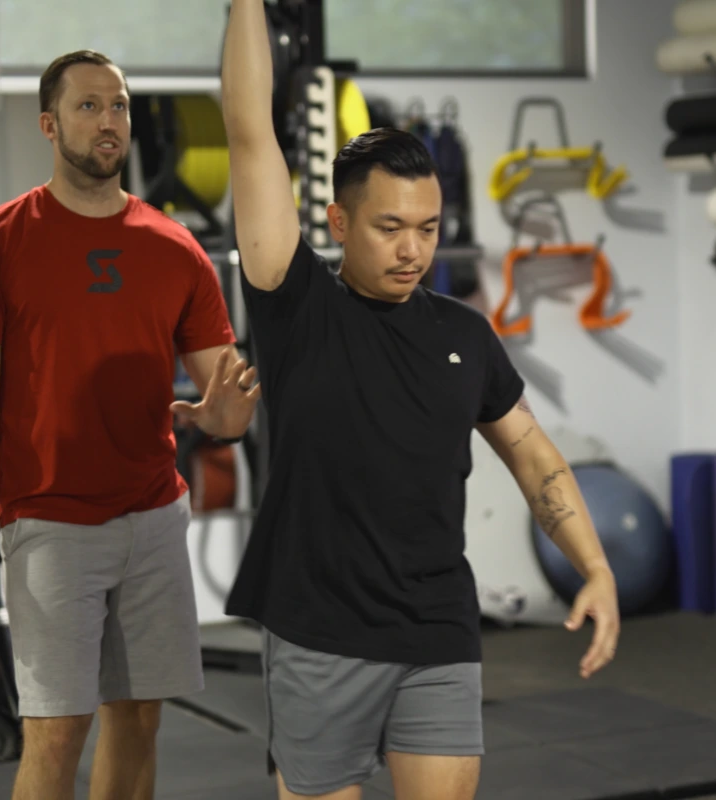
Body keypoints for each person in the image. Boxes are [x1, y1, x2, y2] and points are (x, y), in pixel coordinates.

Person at [218, 2, 622, 799]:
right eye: (390, 227)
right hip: (320, 632)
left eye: (430, 229)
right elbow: (248, 131)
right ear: (337, 221)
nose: (413, 250)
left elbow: (532, 453)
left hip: (437, 624)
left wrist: (596, 566)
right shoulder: (298, 306)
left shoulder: (466, 334)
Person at [0, 50, 261, 800]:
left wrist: (229, 417)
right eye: (89, 107)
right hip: (48, 522)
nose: (108, 120)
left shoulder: (175, 247)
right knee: (56, 734)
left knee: (140, 719)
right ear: (50, 126)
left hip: (153, 516)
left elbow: (226, 383)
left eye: (117, 105)